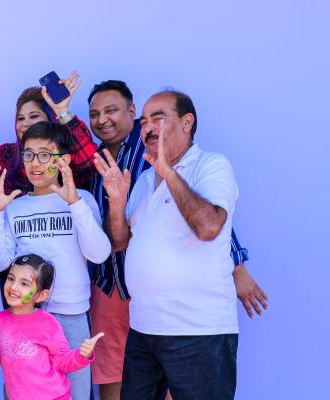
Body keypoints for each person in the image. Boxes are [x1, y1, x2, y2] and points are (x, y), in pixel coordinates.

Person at [86, 80, 268, 400]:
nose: (148, 127)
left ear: (187, 122)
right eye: (144, 121)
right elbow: (120, 242)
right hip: (144, 329)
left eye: (158, 117)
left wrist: (168, 170)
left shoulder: (211, 165)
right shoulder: (143, 179)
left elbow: (209, 226)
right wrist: (116, 202)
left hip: (198, 330)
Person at [0, 121, 111, 400]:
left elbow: (99, 254)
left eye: (45, 155)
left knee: (76, 393)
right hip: (24, 317)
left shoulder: (82, 200)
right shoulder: (15, 207)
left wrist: (75, 203)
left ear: (63, 160)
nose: (35, 162)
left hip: (71, 315)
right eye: (28, 154)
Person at [0, 254, 104, 400]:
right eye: (10, 278)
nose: (14, 286)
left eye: (24, 283)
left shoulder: (48, 323)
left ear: (41, 295)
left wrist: (81, 355)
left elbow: (62, 361)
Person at [0, 71, 98, 194]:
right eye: (20, 118)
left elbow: (89, 164)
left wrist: (62, 111)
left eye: (34, 116)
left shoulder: (65, 154)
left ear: (50, 119)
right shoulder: (6, 154)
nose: (25, 124)